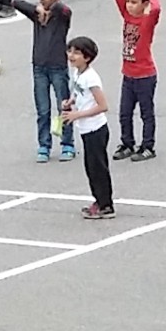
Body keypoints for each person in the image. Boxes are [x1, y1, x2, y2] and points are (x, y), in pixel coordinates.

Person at [10, 0, 75, 162]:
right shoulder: (37, 15)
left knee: (63, 107)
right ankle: (44, 145)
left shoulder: (62, 16)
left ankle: (67, 143)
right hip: (39, 68)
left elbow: (64, 9)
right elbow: (15, 2)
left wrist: (50, 8)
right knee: (43, 109)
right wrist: (37, 9)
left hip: (58, 67)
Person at [60, 36, 115, 218]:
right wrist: (70, 102)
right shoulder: (78, 74)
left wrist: (77, 115)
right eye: (70, 51)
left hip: (95, 129)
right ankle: (98, 200)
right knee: (90, 167)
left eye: (77, 53)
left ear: (87, 57)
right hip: (85, 129)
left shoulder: (91, 78)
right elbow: (78, 93)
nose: (71, 56)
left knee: (98, 168)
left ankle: (106, 205)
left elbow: (102, 106)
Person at [113, 0, 162, 161]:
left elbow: (156, 9)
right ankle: (127, 143)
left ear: (144, 4)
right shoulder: (127, 16)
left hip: (145, 75)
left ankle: (148, 146)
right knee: (125, 113)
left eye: (134, 2)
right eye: (128, 2)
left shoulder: (146, 20)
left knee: (146, 113)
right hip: (128, 74)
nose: (130, 5)